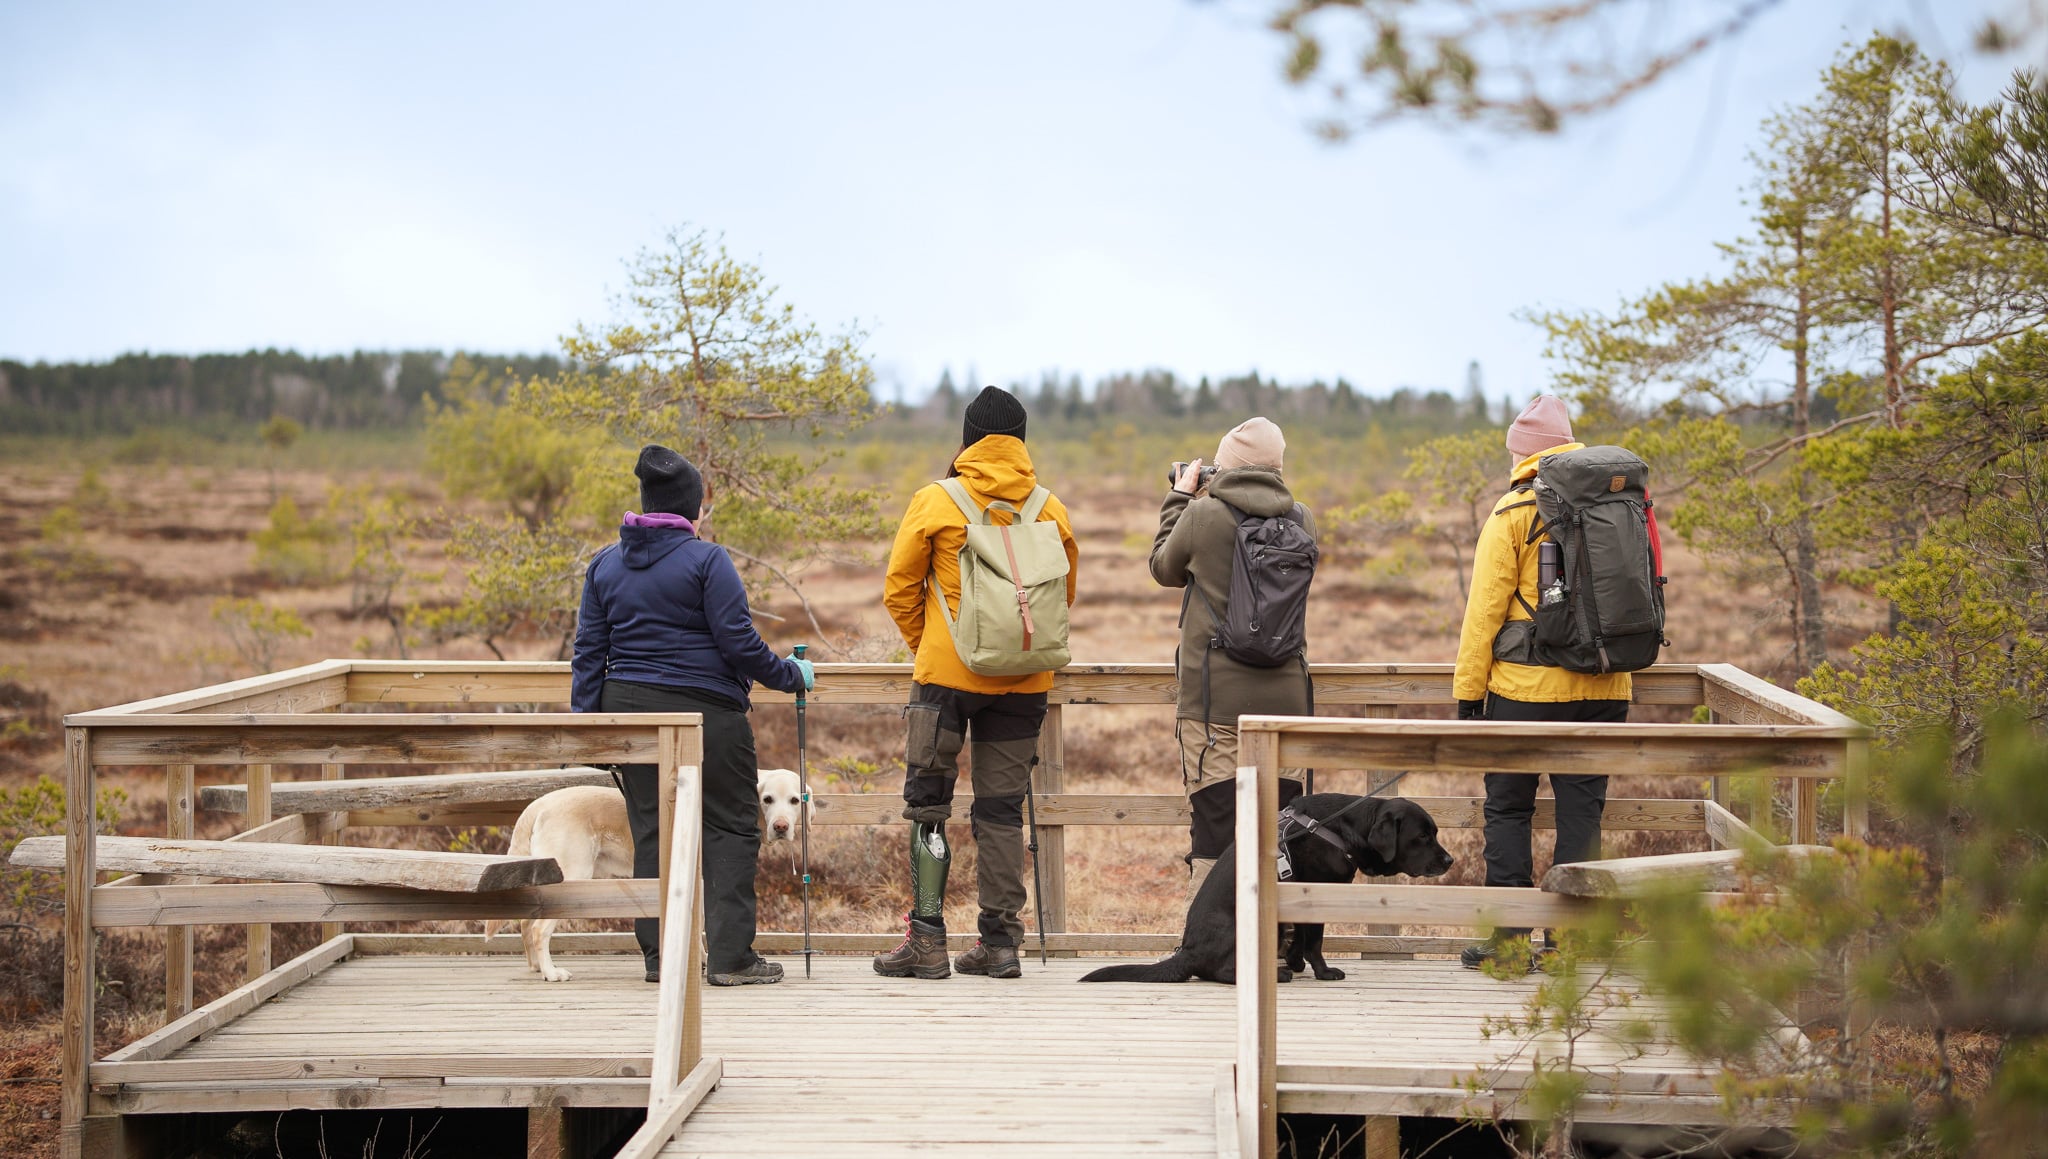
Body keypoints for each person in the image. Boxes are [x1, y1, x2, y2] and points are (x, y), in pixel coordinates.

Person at [570, 444, 814, 986]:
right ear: (693, 509)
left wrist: (589, 727)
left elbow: (589, 651)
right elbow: (738, 642)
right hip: (708, 714)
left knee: (652, 830)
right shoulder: (708, 560)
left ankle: (663, 959)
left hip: (629, 713)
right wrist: (790, 675)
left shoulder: (605, 563)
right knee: (729, 826)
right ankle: (730, 959)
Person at [875, 386, 1079, 980]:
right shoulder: (1049, 507)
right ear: (1021, 438)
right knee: (1000, 812)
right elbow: (1060, 598)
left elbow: (898, 589)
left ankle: (928, 943)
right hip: (1025, 679)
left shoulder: (936, 500)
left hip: (945, 681)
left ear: (968, 437)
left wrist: (937, 648)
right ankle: (1001, 945)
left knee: (928, 807)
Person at [1452, 395, 1631, 969]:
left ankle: (1508, 943)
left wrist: (1467, 692)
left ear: (1522, 455)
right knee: (1583, 814)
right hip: (1604, 690)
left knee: (1508, 811)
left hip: (1523, 694)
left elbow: (1484, 613)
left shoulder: (1513, 514)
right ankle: (1571, 944)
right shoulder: (1621, 503)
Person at [1149, 417, 1313, 898]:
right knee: (1280, 826)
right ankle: (1278, 942)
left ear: (1227, 466)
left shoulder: (1204, 515)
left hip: (1214, 700)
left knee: (1217, 825)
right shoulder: (1302, 518)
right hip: (1287, 699)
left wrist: (1181, 498)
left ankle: (1215, 943)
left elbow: (1163, 566)